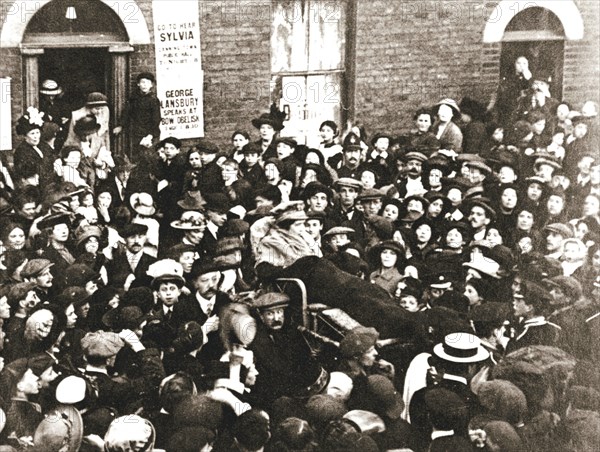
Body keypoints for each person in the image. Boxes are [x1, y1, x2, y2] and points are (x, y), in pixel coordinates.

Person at [249, 292, 327, 409]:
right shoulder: (256, 339)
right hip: (273, 396)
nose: (276, 318)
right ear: (261, 316)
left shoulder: (291, 332)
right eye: (270, 314)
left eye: (279, 312)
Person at [114, 72, 162, 161]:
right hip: (137, 133)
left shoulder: (153, 100)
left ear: (151, 85)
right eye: (142, 82)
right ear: (138, 84)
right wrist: (120, 125)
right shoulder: (134, 99)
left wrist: (150, 135)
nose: (145, 85)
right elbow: (126, 113)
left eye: (147, 83)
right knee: (138, 158)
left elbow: (156, 119)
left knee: (150, 157)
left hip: (150, 134)